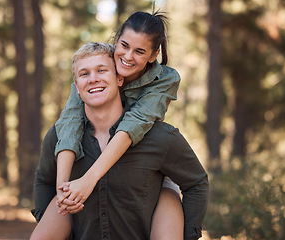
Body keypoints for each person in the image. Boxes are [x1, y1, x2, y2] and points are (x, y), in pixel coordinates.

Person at [30, 42, 209, 240]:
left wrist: (188, 235)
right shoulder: (58, 137)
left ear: (119, 79)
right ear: (77, 88)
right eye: (84, 74)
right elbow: (44, 180)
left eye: (101, 70)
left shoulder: (160, 137)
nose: (93, 79)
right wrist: (49, 220)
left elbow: (196, 183)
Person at [46, 11, 185, 238]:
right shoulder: (98, 69)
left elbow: (133, 124)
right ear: (116, 39)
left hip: (145, 169)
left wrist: (89, 180)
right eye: (124, 45)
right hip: (100, 159)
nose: (128, 57)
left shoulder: (166, 79)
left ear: (154, 55)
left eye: (139, 51)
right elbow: (70, 122)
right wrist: (63, 188)